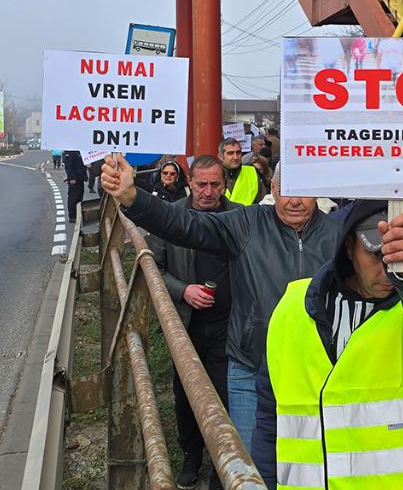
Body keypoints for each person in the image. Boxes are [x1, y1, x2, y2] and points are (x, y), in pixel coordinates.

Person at [100, 159, 341, 449]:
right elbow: (186, 224)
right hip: (250, 367)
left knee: (307, 457)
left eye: (304, 191)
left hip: (317, 370)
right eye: (287, 190)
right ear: (274, 189)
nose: (295, 201)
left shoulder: (339, 236)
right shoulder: (247, 223)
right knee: (249, 457)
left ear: (318, 193)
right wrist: (133, 198)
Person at [253, 200, 403, 490]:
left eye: (398, 256)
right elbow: (272, 420)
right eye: (376, 254)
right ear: (349, 247)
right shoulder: (292, 309)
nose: (389, 269)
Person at [149, 155, 238, 490]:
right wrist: (183, 290)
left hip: (229, 323)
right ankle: (191, 455)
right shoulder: (172, 217)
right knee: (186, 393)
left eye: (215, 184)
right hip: (184, 324)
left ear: (224, 184)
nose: (208, 191)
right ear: (190, 184)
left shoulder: (239, 215)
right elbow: (153, 266)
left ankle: (223, 464)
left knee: (224, 393)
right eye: (201, 184)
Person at [219, 137, 264, 205]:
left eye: (238, 152)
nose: (236, 157)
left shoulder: (252, 172)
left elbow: (263, 201)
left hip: (249, 214)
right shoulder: (214, 175)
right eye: (230, 153)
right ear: (220, 156)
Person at [62, 150, 86, 223]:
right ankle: (72, 216)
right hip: (74, 179)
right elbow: (68, 166)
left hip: (80, 178)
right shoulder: (69, 152)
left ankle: (78, 214)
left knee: (79, 197)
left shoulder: (79, 151)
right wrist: (71, 177)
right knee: (73, 198)